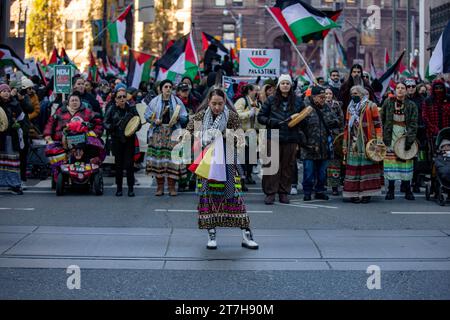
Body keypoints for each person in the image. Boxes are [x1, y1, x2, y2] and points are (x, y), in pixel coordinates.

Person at [185, 88, 258, 250]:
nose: (217, 107)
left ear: (225, 102)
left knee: (235, 197)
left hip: (228, 161)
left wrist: (224, 135)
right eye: (214, 104)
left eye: (220, 103)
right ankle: (211, 235)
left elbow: (240, 139)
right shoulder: (201, 115)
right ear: (208, 102)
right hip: (207, 163)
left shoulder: (231, 116)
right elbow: (189, 131)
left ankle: (246, 235)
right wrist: (202, 136)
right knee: (208, 197)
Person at [257, 74, 304, 205]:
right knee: (271, 166)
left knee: (287, 166)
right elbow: (261, 116)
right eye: (282, 83)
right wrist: (272, 122)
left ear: (291, 86)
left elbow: (303, 118)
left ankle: (283, 193)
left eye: (287, 83)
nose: (285, 85)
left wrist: (298, 122)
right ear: (279, 85)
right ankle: (270, 193)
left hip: (291, 137)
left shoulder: (299, 101)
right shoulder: (271, 100)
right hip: (274, 135)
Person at [144, 79, 188, 196]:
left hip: (173, 133)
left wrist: (178, 118)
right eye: (166, 87)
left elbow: (185, 117)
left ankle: (172, 188)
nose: (168, 89)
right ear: (161, 89)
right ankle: (159, 188)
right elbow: (147, 114)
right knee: (159, 160)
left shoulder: (177, 101)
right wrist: (154, 120)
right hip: (158, 134)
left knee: (172, 161)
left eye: (170, 87)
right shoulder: (154, 101)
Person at [342, 85, 383, 203]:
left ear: (362, 94)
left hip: (367, 141)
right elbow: (346, 127)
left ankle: (366, 193)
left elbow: (377, 124)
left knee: (367, 168)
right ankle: (354, 193)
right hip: (353, 141)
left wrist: (378, 141)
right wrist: (345, 144)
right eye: (352, 94)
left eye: (356, 94)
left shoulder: (371, 106)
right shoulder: (350, 108)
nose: (353, 96)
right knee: (354, 168)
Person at [298, 86, 339, 201]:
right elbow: (299, 127)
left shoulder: (326, 107)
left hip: (324, 146)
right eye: (321, 97)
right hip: (309, 147)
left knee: (322, 173)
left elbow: (336, 121)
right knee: (309, 172)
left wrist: (330, 122)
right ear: (313, 97)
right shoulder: (304, 107)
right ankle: (307, 192)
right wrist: (304, 143)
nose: (323, 99)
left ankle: (320, 191)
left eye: (324, 97)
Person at [381, 81, 418, 200]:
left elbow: (413, 123)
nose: (400, 90)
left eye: (403, 88)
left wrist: (410, 140)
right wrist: (383, 136)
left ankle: (408, 190)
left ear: (406, 90)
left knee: (406, 163)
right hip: (390, 135)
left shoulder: (411, 105)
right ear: (395, 90)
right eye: (398, 88)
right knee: (391, 163)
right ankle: (390, 190)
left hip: (404, 135)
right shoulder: (388, 102)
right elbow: (382, 118)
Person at [104, 86, 141, 197]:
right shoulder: (111, 109)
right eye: (119, 97)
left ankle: (130, 188)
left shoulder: (131, 109)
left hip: (129, 140)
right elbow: (105, 122)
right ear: (115, 98)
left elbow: (138, 123)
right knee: (118, 165)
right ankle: (119, 188)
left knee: (129, 165)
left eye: (124, 97)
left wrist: (133, 128)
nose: (122, 99)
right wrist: (113, 127)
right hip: (116, 139)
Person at [0, 84, 26, 194]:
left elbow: (22, 118)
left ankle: (15, 184)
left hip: (11, 136)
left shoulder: (15, 103)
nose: (6, 92)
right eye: (3, 91)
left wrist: (17, 124)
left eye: (7, 90)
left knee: (11, 161)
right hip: (1, 136)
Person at [235, 84, 261, 185]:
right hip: (242, 133)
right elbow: (236, 114)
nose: (257, 92)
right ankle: (242, 178)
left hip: (253, 133)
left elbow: (259, 119)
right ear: (249, 91)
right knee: (243, 158)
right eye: (255, 90)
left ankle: (248, 175)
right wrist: (248, 114)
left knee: (252, 157)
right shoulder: (242, 101)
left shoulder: (257, 103)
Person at [324, 87, 345, 195]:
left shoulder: (337, 106)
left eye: (330, 94)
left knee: (335, 161)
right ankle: (321, 184)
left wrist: (341, 135)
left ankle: (334, 186)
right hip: (323, 136)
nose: (328, 96)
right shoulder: (320, 105)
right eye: (326, 93)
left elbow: (341, 121)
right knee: (323, 161)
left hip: (335, 136)